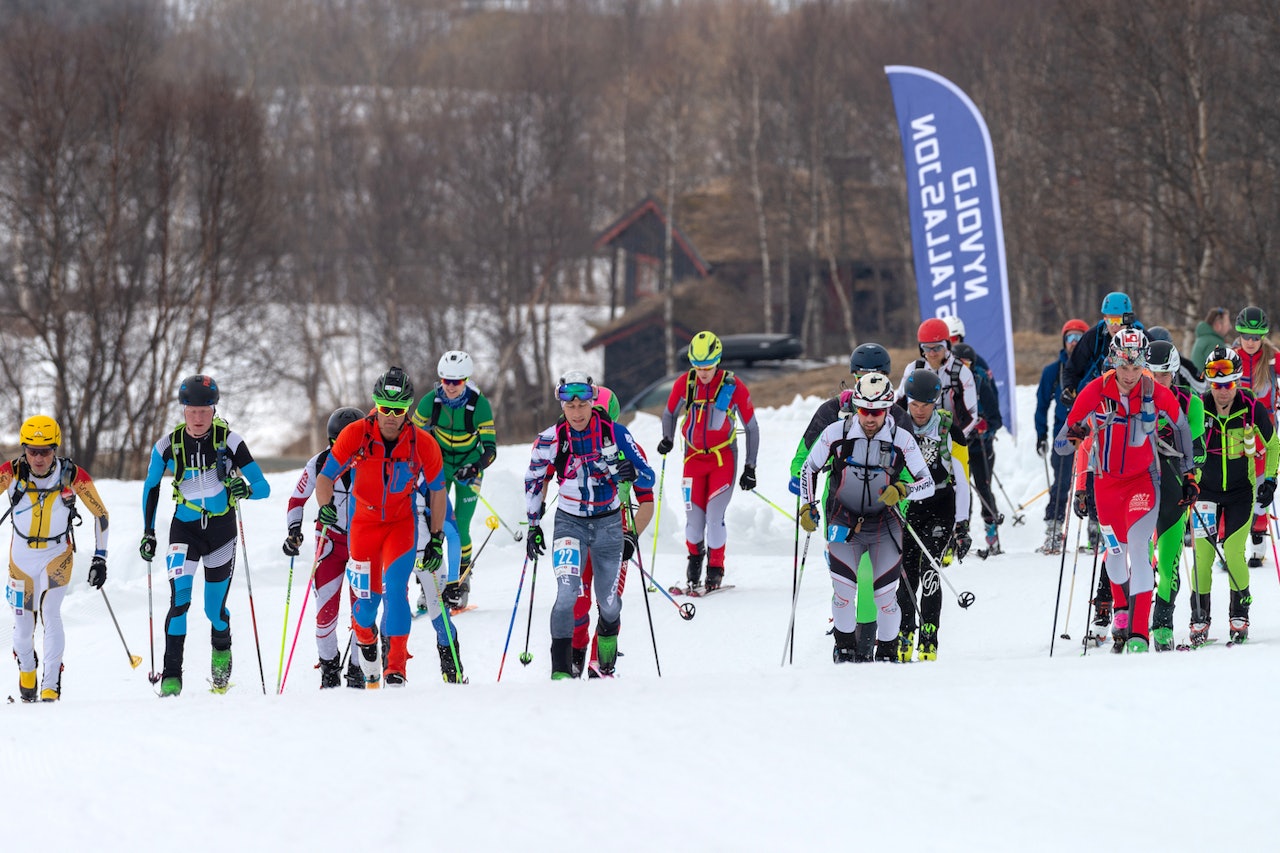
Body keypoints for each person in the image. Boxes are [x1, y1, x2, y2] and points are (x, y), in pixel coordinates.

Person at [314, 366, 458, 686]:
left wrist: (435, 538)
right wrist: (325, 508)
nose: (391, 416)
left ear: (408, 409)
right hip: (363, 526)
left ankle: (396, 668)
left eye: (399, 410)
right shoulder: (356, 433)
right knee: (366, 606)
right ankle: (365, 637)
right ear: (376, 405)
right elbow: (325, 477)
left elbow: (437, 491)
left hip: (400, 525)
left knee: (395, 592)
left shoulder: (422, 443)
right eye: (385, 408)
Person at [1060, 329, 1195, 653]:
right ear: (1114, 361)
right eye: (1124, 367)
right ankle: (1121, 608)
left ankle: (1139, 634)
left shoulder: (1153, 391)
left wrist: (1189, 474)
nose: (1130, 375)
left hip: (1144, 482)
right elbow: (1063, 446)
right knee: (1115, 556)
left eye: (1136, 367)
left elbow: (1182, 427)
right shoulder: (1095, 390)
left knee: (1138, 547)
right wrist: (1074, 434)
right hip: (1106, 487)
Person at [141, 375, 271, 696]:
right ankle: (172, 675)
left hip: (221, 532)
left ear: (214, 409)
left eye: (205, 410)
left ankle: (221, 650)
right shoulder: (166, 446)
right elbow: (151, 486)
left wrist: (246, 490)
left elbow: (264, 488)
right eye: (192, 410)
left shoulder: (231, 442)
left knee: (213, 610)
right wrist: (148, 532)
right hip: (183, 531)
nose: (198, 418)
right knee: (180, 601)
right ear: (183, 410)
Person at [524, 371, 655, 679]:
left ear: (594, 404)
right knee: (569, 595)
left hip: (611, 526)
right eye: (571, 405)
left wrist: (631, 474)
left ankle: (604, 664)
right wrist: (533, 523)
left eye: (584, 405)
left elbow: (649, 481)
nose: (578, 412)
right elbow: (534, 479)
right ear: (563, 406)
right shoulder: (551, 438)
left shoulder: (617, 434)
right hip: (570, 523)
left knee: (609, 604)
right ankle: (563, 670)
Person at [799, 372, 936, 663]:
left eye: (876, 412)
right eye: (864, 410)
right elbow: (808, 469)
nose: (870, 418)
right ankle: (845, 649)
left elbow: (928, 484)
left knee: (885, 598)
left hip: (884, 524)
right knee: (843, 592)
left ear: (887, 409)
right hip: (843, 520)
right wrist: (807, 505)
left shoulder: (902, 439)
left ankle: (886, 652)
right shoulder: (836, 433)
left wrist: (903, 489)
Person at [3, 416, 110, 702]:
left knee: (51, 614)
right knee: (24, 629)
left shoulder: (72, 474)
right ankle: (27, 669)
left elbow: (101, 514)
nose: (38, 458)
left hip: (57, 555)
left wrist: (100, 558)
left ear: (56, 448)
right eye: (32, 451)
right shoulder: (10, 472)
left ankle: (51, 684)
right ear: (24, 448)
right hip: (21, 560)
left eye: (46, 451)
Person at [1189, 346, 1279, 645]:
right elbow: (1183, 444)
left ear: (1237, 381)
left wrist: (1270, 481)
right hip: (1206, 491)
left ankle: (1239, 612)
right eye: (1216, 385)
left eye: (1227, 385)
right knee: (1202, 555)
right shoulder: (1199, 408)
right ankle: (1199, 617)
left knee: (1232, 550)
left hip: (1241, 491)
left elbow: (1274, 444)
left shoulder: (1252, 408)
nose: (1222, 392)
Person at [656, 331, 759, 591]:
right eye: (698, 367)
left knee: (714, 518)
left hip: (722, 459)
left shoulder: (733, 386)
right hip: (693, 458)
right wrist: (667, 438)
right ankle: (694, 561)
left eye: (708, 367)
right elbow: (669, 413)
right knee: (693, 521)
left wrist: (750, 467)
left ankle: (715, 568)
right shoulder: (686, 383)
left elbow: (752, 427)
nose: (703, 373)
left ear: (718, 361)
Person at [571, 384, 655, 677]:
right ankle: (575, 653)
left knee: (608, 602)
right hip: (581, 533)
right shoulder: (572, 445)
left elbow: (646, 501)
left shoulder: (630, 448)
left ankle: (601, 661)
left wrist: (632, 535)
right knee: (576, 603)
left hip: (614, 537)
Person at [283, 406, 366, 688]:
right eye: (335, 443)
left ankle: (358, 668)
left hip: (362, 543)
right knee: (325, 613)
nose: (341, 449)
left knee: (362, 612)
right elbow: (296, 501)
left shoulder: (373, 461)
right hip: (329, 542)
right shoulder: (319, 464)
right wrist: (294, 530)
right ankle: (329, 669)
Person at [411, 350, 497, 610]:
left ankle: (459, 582)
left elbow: (491, 450)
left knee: (460, 527)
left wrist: (475, 466)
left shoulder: (478, 405)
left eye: (456, 382)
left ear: (466, 380)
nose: (449, 387)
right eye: (445, 380)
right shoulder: (431, 402)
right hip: (438, 466)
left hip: (468, 466)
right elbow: (411, 437)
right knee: (429, 523)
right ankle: (430, 583)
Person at [894, 370, 971, 661]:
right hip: (909, 507)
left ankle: (929, 633)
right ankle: (905, 629)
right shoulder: (898, 425)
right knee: (907, 572)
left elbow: (962, 479)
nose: (920, 410)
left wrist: (961, 525)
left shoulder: (950, 429)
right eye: (915, 403)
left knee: (930, 571)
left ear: (935, 401)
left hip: (941, 504)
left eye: (926, 404)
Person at [1147, 341, 1205, 650]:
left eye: (1164, 375)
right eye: (1152, 374)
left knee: (1168, 563)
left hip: (1173, 489)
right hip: (1141, 486)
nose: (1158, 382)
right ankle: (1134, 620)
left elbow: (1197, 449)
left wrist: (1192, 480)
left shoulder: (1190, 403)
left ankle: (1162, 625)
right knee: (1142, 560)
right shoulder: (1135, 399)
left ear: (1174, 373)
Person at [1229, 306, 1280, 568]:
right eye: (1246, 336)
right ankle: (1230, 545)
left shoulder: (1273, 359)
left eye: (1256, 336)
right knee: (1235, 484)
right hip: (1235, 430)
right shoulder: (1231, 356)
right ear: (1239, 334)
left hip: (1264, 430)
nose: (1250, 341)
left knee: (1261, 485)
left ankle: (1258, 544)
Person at [1035, 319, 1089, 553]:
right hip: (1064, 435)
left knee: (1094, 482)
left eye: (1079, 338)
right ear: (1063, 340)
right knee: (1062, 483)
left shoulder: (1093, 369)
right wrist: (1041, 435)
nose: (1074, 343)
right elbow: (1041, 405)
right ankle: (1054, 531)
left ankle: (1097, 531)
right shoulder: (1053, 371)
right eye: (1070, 337)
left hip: (1092, 434)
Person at [952, 342, 1003, 554]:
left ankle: (992, 535)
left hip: (981, 446)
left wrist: (985, 428)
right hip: (958, 446)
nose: (963, 367)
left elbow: (996, 418)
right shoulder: (949, 382)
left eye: (966, 363)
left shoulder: (980, 380)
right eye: (958, 363)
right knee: (960, 490)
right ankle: (960, 536)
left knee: (983, 488)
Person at [1062, 291, 1137, 401]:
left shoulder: (1140, 337)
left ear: (1128, 319)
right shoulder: (1093, 337)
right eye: (1111, 320)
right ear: (1105, 318)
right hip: (1102, 394)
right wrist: (1069, 388)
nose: (1115, 326)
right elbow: (1073, 367)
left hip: (1135, 395)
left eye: (1119, 320)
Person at [1189, 307, 1231, 375]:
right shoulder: (1214, 343)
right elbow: (1219, 374)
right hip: (1205, 384)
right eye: (1227, 324)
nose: (1229, 327)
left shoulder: (1203, 339)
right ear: (1218, 325)